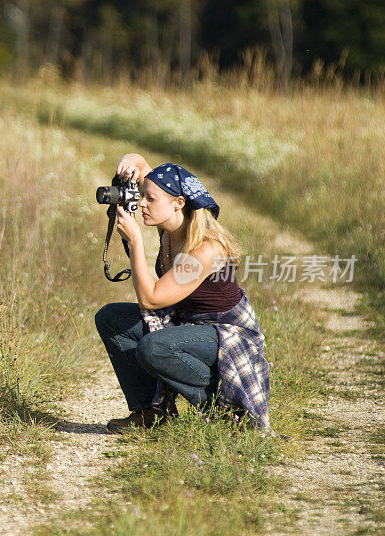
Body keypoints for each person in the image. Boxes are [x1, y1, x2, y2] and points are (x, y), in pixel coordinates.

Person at [94, 153, 271, 434]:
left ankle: (227, 410)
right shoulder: (171, 220)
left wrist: (136, 242)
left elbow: (151, 298)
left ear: (179, 203)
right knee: (111, 317)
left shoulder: (206, 250)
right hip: (188, 323)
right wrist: (134, 162)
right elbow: (150, 176)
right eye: (143, 197)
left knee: (154, 348)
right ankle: (151, 414)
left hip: (226, 335)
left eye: (149, 200)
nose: (141, 203)